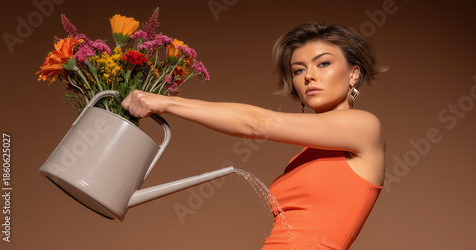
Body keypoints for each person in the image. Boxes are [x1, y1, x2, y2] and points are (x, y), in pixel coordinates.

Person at [121, 22, 387, 250]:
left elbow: (258, 124)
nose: (309, 76)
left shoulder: (364, 127)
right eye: (299, 69)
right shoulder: (305, 155)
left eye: (323, 63)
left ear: (354, 73)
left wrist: (165, 103)